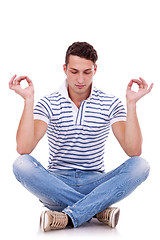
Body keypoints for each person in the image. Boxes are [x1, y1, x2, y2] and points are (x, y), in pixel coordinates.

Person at [9, 42, 153, 232]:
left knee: (141, 165)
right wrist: (28, 100)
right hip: (56, 184)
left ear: (95, 70)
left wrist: (132, 104)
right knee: (21, 164)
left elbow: (133, 150)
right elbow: (24, 148)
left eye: (87, 72)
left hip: (95, 184)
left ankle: (68, 215)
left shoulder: (109, 103)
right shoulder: (49, 103)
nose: (80, 79)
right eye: (74, 71)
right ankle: (96, 210)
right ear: (65, 69)